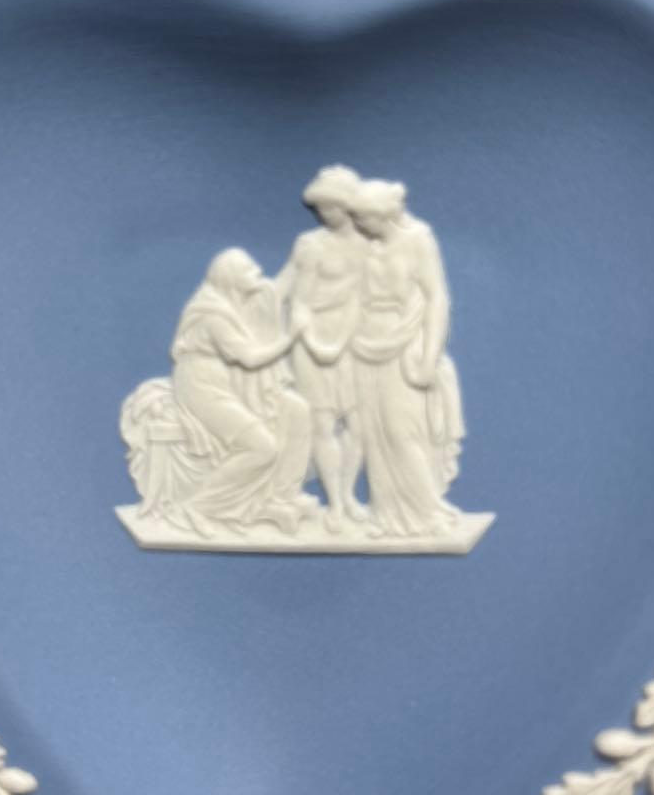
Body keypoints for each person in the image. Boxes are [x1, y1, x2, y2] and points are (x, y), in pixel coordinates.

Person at [168, 248, 315, 536]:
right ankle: (199, 508)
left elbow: (276, 288)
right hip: (203, 387)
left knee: (297, 411)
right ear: (231, 279)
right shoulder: (213, 314)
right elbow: (249, 358)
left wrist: (300, 259)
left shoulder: (235, 302)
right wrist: (291, 337)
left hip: (231, 384)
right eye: (249, 271)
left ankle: (280, 497)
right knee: (262, 447)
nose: (258, 273)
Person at [349, 179, 465, 537]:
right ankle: (388, 515)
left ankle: (426, 511)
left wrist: (430, 356)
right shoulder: (364, 244)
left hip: (404, 345)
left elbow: (436, 298)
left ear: (384, 215)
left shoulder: (418, 239)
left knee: (402, 431)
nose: (357, 224)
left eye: (363, 218)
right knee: (374, 434)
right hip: (364, 344)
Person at [277, 166, 367, 532]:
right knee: (323, 424)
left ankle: (349, 496)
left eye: (331, 206)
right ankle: (336, 504)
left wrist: (340, 342)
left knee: (360, 426)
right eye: (320, 208)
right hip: (312, 339)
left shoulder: (371, 246)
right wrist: (313, 341)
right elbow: (292, 296)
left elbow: (371, 299)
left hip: (355, 342)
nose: (324, 214)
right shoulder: (309, 244)